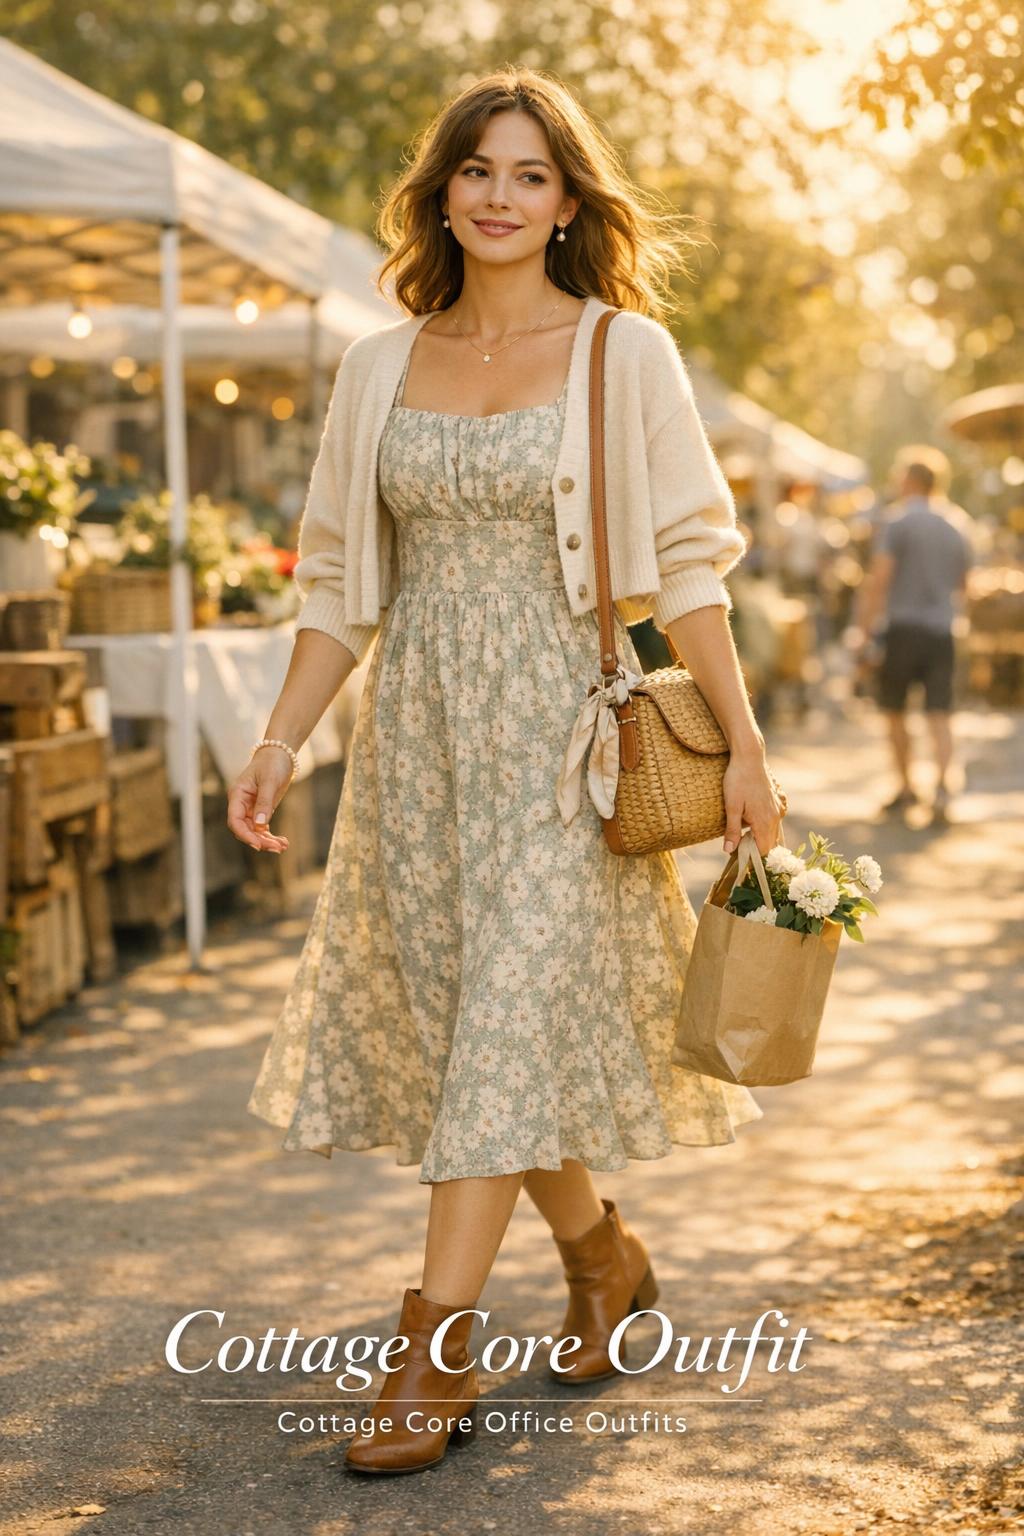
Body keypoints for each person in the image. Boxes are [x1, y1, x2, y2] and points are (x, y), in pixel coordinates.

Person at [228, 67, 783, 1476]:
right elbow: (342, 584)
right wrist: (281, 737)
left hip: (568, 742)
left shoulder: (623, 354)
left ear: (567, 201)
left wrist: (747, 754)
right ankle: (601, 1261)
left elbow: (688, 576)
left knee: (503, 1026)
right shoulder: (379, 364)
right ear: (443, 188)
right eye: (478, 168)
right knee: (495, 1031)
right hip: (416, 744)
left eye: (530, 173)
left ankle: (430, 1355)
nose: (499, 194)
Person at [853, 449, 973, 819]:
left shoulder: (897, 522)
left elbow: (880, 579)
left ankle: (906, 787)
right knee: (941, 712)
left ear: (910, 481)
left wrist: (864, 629)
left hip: (902, 629)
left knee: (895, 710)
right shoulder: (957, 524)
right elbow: (964, 584)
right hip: (942, 629)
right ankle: (942, 789)